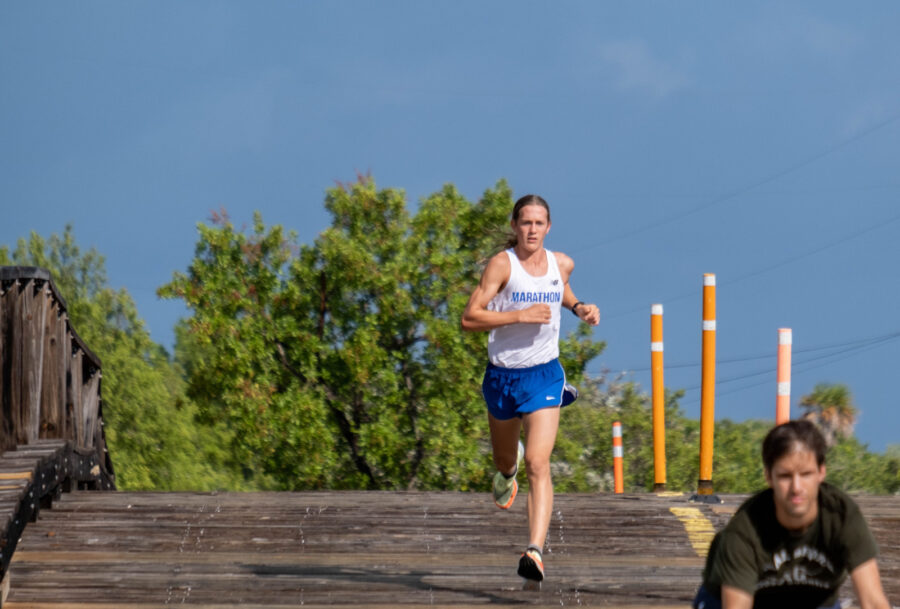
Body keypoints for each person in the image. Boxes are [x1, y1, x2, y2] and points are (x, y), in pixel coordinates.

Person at [461, 194, 600, 584]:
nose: (532, 230)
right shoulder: (502, 266)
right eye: (526, 223)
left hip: (544, 376)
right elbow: (469, 318)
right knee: (508, 462)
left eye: (539, 223)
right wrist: (518, 315)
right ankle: (508, 472)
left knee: (540, 463)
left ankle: (534, 551)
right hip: (503, 378)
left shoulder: (562, 263)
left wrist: (579, 307)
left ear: (549, 227)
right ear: (515, 226)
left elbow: (562, 288)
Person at [693, 420, 891, 609]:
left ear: (821, 472)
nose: (796, 488)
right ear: (769, 477)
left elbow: (873, 602)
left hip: (815, 601)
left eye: (805, 474)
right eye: (785, 476)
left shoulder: (842, 517)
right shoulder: (744, 531)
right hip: (736, 598)